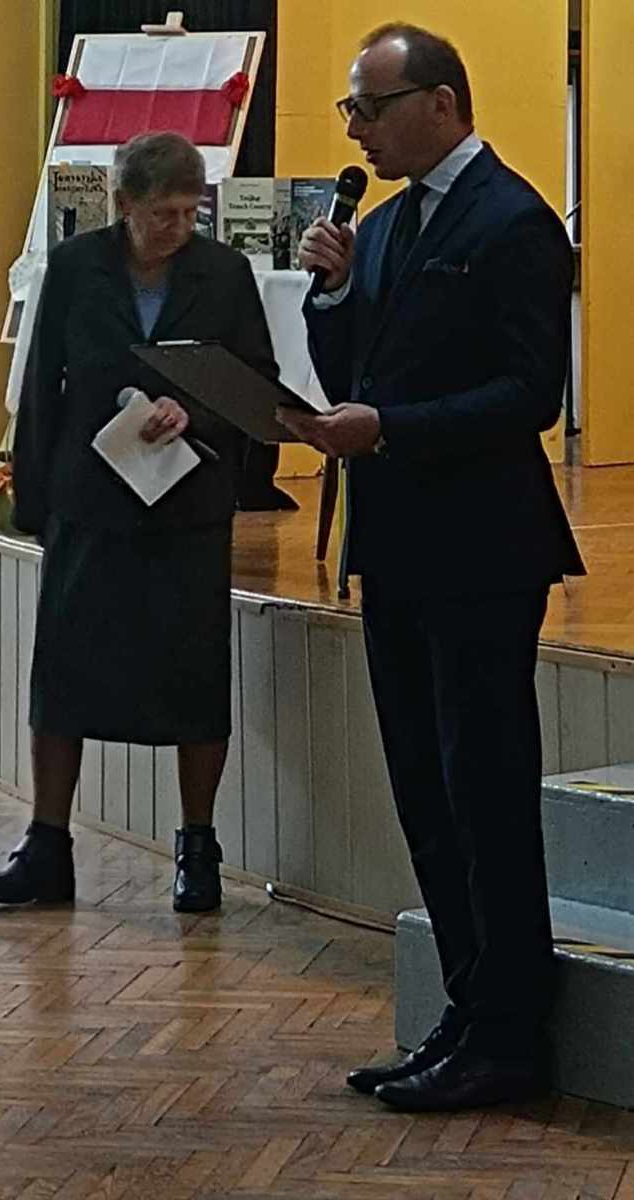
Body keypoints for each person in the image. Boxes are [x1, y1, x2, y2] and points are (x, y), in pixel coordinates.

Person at [279, 24, 585, 1111]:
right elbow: (354, 375)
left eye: (371, 106)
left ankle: (511, 1034)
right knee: (423, 788)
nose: (356, 129)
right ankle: (467, 1008)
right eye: (351, 110)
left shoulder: (514, 221)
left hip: (483, 550)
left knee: (482, 790)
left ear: (442, 104)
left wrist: (391, 429)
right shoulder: (390, 223)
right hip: (398, 545)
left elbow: (529, 396)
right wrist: (330, 298)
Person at [0, 132, 279, 914]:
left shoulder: (225, 273)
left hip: (186, 505)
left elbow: (257, 385)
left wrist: (194, 409)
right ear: (124, 204)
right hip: (91, 500)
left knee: (195, 677)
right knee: (63, 676)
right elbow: (43, 386)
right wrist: (34, 502)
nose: (179, 227)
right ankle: (46, 845)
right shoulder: (75, 268)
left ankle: (198, 848)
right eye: (163, 213)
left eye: (191, 212)